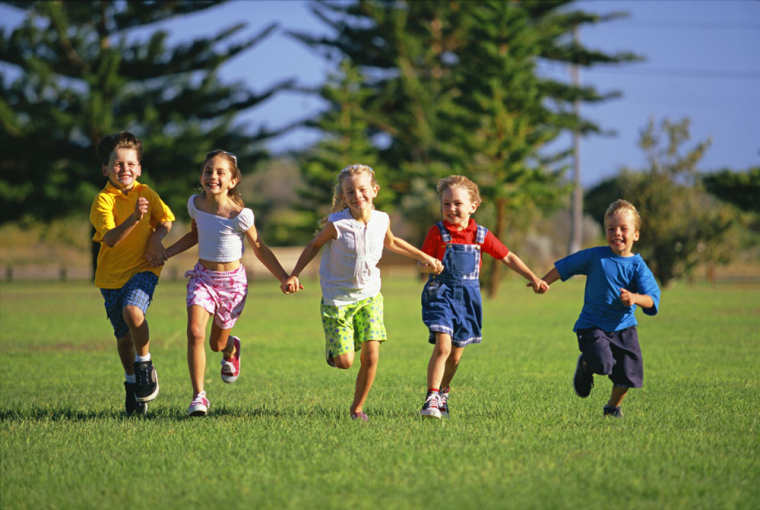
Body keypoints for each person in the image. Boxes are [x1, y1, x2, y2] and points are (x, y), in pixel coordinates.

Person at [283, 164, 443, 421]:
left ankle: (357, 408)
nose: (358, 196)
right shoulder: (337, 223)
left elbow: (392, 242)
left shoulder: (382, 219)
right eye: (350, 191)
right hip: (337, 299)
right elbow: (314, 245)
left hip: (369, 296)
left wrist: (425, 257)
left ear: (375, 190)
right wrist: (294, 274)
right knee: (345, 361)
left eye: (363, 189)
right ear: (343, 196)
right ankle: (335, 352)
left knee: (372, 354)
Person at [165, 149, 297, 417]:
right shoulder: (195, 205)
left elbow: (260, 248)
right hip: (203, 278)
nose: (212, 176)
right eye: (208, 171)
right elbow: (194, 236)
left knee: (216, 343)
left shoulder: (241, 215)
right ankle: (198, 397)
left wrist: (284, 277)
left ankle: (231, 348)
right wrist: (165, 253)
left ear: (233, 181)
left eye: (220, 172)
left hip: (232, 285)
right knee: (195, 332)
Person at [419, 175, 548, 419]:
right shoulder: (437, 233)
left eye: (457, 203)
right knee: (443, 346)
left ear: (473, 206)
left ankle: (444, 392)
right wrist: (429, 266)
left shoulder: (480, 235)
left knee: (456, 356)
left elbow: (507, 256)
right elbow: (420, 262)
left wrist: (532, 276)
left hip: (467, 301)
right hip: (441, 296)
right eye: (446, 204)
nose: (451, 209)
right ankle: (431, 398)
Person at [539, 199, 660, 418]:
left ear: (636, 234)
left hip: (625, 328)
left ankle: (612, 407)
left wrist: (635, 298)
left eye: (624, 229)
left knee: (628, 376)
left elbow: (652, 299)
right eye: (611, 229)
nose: (617, 233)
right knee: (603, 364)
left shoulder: (638, 266)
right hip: (592, 326)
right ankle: (586, 363)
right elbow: (566, 266)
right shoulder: (596, 256)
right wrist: (544, 282)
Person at [90, 131, 175, 417]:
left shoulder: (145, 192)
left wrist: (154, 239)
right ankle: (132, 384)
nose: (124, 169)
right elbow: (111, 238)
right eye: (117, 164)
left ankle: (145, 364)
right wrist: (135, 219)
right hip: (111, 278)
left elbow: (165, 220)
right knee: (123, 337)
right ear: (106, 169)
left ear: (138, 168)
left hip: (144, 268)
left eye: (130, 164)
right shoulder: (103, 200)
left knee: (133, 311)